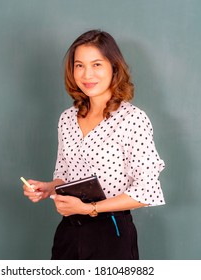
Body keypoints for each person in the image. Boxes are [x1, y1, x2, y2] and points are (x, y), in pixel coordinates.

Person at [22, 29, 165, 260]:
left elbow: (146, 192)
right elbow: (65, 176)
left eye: (96, 64)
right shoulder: (67, 118)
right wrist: (49, 187)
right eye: (79, 65)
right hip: (69, 231)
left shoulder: (132, 119)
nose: (87, 74)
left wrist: (90, 209)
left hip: (111, 233)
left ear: (114, 68)